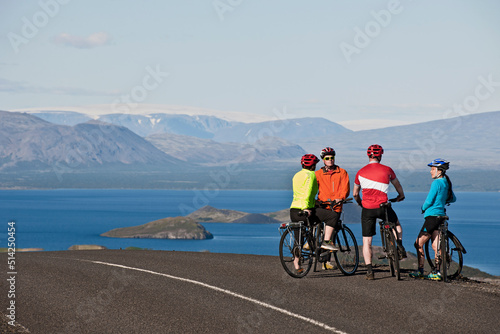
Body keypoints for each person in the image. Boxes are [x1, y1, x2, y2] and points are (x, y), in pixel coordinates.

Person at [352, 144, 406, 280]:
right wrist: (401, 195)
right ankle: (399, 245)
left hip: (368, 209)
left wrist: (359, 202)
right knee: (397, 224)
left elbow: (355, 193)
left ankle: (370, 271)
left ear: (368, 156)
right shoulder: (387, 170)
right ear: (380, 155)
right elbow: (397, 185)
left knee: (367, 241)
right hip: (384, 207)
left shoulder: (360, 172)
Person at [290, 154, 339, 273]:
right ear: (313, 165)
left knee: (298, 239)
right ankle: (326, 241)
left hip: (294, 210)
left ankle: (296, 263)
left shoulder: (296, 175)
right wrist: (307, 207)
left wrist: (315, 202)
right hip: (306, 210)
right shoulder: (311, 175)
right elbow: (307, 192)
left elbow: (300, 193)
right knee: (332, 216)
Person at [409, 159, 456, 280]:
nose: (430, 172)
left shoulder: (436, 183)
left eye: (432, 169)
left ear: (439, 171)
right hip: (441, 216)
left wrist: (422, 208)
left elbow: (429, 201)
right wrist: (442, 201)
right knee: (436, 246)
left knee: (418, 243)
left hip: (432, 217)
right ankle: (437, 272)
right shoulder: (446, 182)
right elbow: (452, 199)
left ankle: (420, 270)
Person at [315, 147, 350, 255]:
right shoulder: (318, 174)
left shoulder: (342, 172)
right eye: (327, 158)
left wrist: (341, 198)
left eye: (332, 157)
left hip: (336, 206)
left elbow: (346, 188)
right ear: (323, 160)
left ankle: (327, 261)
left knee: (332, 233)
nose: (330, 159)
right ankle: (309, 241)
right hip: (322, 205)